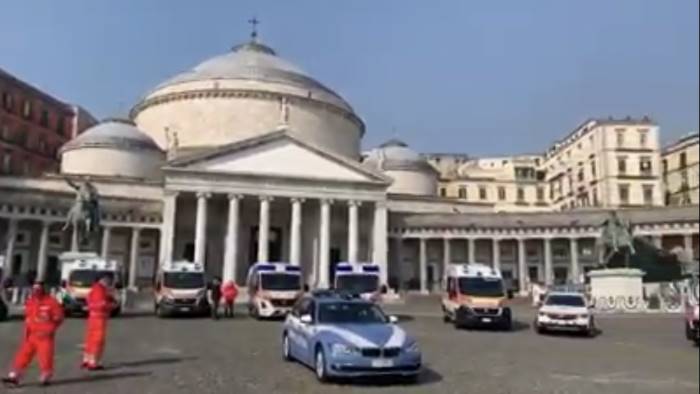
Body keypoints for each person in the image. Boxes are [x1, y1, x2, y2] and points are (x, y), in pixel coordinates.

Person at [2, 282, 64, 387]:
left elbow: (59, 318)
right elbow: (28, 317)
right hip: (31, 335)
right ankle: (14, 376)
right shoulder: (31, 302)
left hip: (45, 336)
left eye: (38, 289)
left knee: (45, 357)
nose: (36, 291)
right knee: (22, 356)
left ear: (43, 290)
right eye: (34, 289)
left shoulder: (51, 302)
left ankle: (45, 376)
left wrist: (50, 329)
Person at [81, 274, 115, 370]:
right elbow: (101, 304)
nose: (109, 282)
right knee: (98, 341)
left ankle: (87, 359)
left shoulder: (94, 289)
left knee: (90, 339)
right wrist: (111, 305)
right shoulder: (100, 290)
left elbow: (89, 302)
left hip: (93, 318)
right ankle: (93, 362)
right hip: (99, 318)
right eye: (108, 280)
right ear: (103, 280)